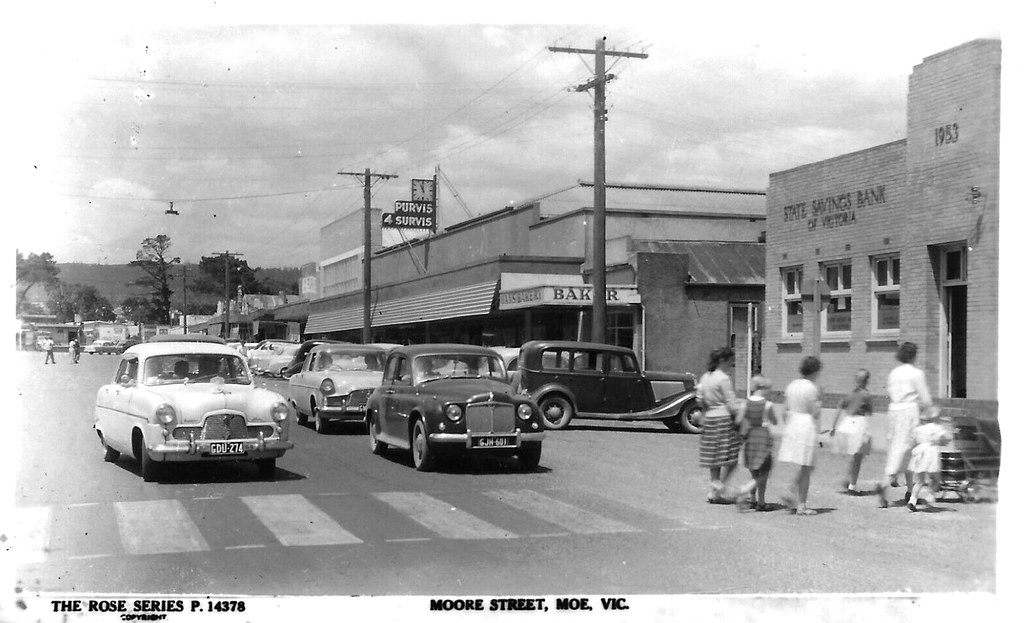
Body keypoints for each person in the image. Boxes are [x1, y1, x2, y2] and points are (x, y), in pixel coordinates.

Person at [877, 342, 933, 509]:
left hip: (894, 411)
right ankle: (885, 483)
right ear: (914, 355)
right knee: (908, 451)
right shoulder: (916, 373)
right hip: (909, 412)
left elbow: (890, 392)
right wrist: (930, 411)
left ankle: (909, 490)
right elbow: (925, 398)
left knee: (900, 449)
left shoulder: (894, 373)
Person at [778, 356, 823, 515]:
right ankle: (801, 504)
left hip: (793, 423)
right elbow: (816, 412)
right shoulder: (812, 388)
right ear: (815, 371)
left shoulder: (792, 385)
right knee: (807, 465)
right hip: (806, 424)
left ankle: (793, 491)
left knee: (806, 466)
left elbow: (784, 411)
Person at [697, 347, 742, 503]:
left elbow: (699, 399)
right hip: (724, 419)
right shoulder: (724, 378)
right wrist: (741, 413)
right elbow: (730, 403)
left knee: (713, 457)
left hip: (709, 419)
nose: (732, 363)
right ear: (723, 360)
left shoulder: (705, 377)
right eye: (730, 360)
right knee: (731, 458)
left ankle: (714, 491)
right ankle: (719, 485)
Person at [734, 375, 777, 511]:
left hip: (750, 437)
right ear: (762, 388)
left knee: (754, 470)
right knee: (765, 470)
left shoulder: (745, 403)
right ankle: (754, 496)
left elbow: (739, 420)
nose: (769, 391)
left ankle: (753, 500)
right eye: (768, 388)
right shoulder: (768, 404)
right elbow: (774, 421)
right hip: (763, 438)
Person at [829, 369, 874, 494]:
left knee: (855, 456)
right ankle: (852, 485)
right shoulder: (866, 394)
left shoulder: (850, 394)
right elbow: (870, 411)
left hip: (847, 423)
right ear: (867, 381)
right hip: (858, 424)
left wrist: (833, 426)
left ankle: (849, 480)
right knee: (858, 457)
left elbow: (839, 408)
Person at [907, 408, 953, 512]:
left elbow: (911, 440)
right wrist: (942, 441)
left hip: (920, 451)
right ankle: (930, 495)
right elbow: (948, 437)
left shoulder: (919, 429)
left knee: (920, 481)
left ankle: (912, 500)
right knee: (936, 478)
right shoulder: (937, 428)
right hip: (931, 452)